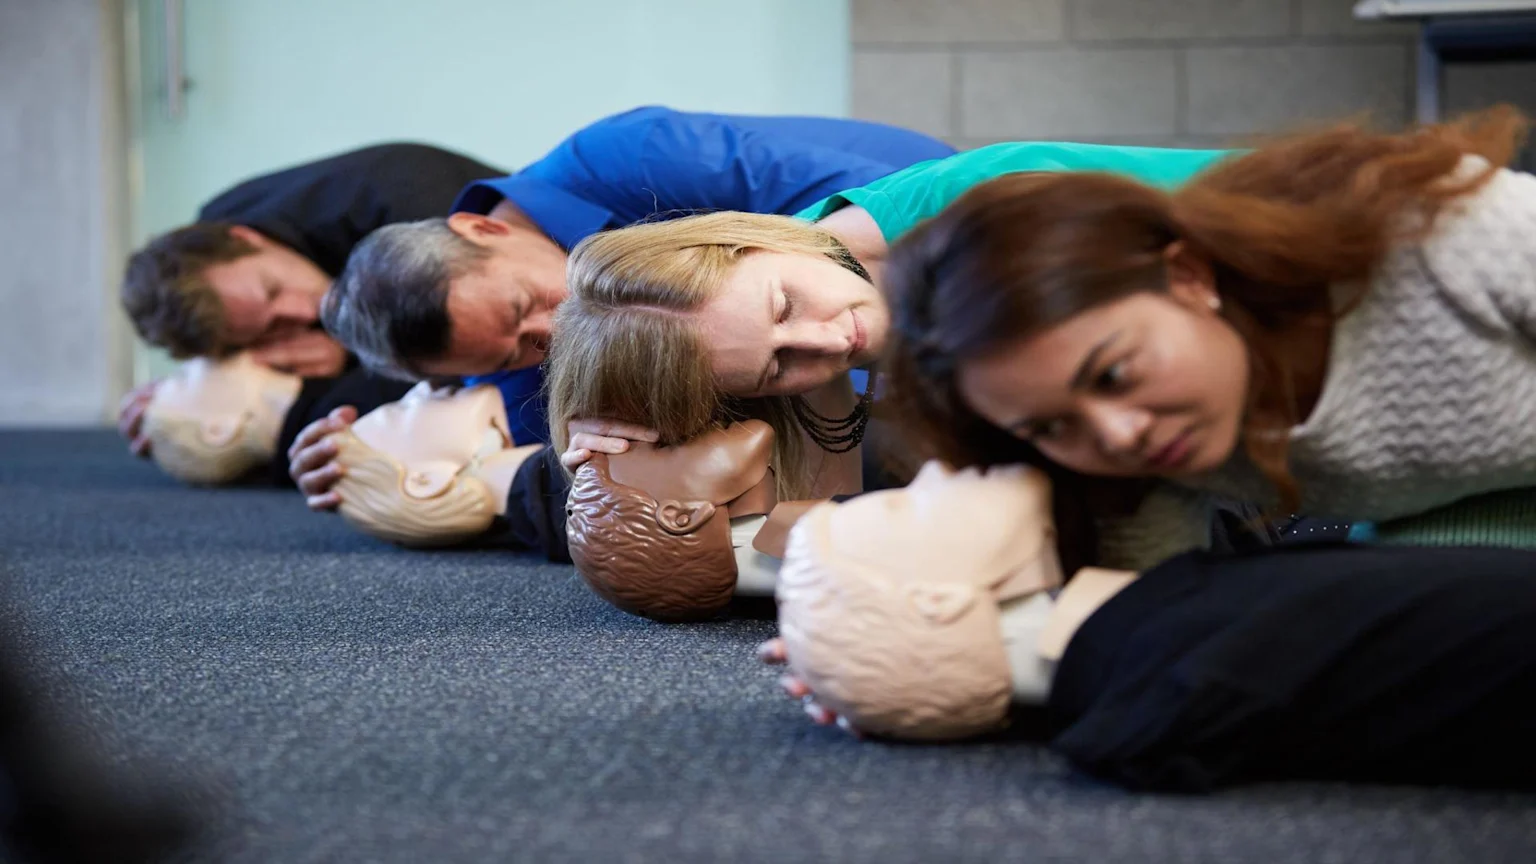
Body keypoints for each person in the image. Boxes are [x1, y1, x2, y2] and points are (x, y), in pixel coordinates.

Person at [878, 105, 1536, 563]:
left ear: (1189, 275)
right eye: (1050, 428)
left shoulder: (1442, 234)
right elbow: (1146, 608)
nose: (1116, 435)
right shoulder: (1138, 457)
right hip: (1455, 528)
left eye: (1112, 374)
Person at [544, 142, 1246, 562]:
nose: (828, 340)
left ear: (760, 240)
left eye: (784, 304)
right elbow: (808, 535)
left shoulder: (982, 213)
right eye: (777, 366)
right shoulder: (815, 363)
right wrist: (630, 464)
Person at [288, 105, 956, 538]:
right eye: (508, 357)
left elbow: (881, 222)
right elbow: (585, 477)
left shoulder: (631, 153)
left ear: (482, 227)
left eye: (524, 305)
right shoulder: (494, 362)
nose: (550, 336)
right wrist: (368, 451)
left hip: (921, 248)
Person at [117, 142, 503, 470]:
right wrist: (185, 401)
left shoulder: (400, 205)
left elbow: (456, 362)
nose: (304, 313)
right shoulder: (213, 253)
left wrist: (349, 357)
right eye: (270, 328)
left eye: (273, 290)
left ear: (246, 236)